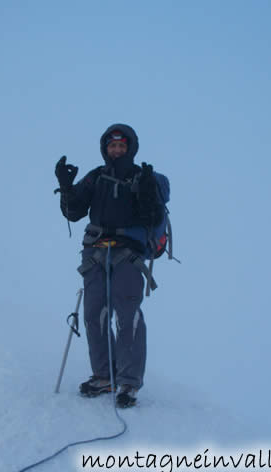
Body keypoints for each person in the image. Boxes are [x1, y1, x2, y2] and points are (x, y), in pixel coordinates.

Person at [54, 123, 169, 408]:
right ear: (105, 148)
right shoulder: (97, 177)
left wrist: (146, 191)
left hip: (127, 255)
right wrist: (67, 188)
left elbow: (152, 216)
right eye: (112, 146)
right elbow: (75, 212)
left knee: (126, 313)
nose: (116, 150)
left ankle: (128, 381)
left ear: (130, 148)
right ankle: (104, 376)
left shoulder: (143, 178)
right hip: (94, 254)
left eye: (122, 146)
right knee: (95, 314)